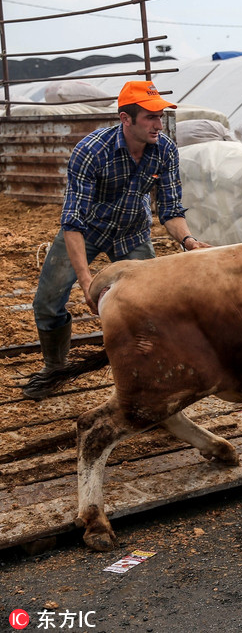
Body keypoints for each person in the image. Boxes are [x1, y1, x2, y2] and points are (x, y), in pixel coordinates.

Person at [23, 80, 210, 400]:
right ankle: (55, 367)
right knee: (48, 301)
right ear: (126, 119)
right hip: (88, 230)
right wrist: (85, 280)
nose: (158, 124)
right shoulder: (91, 151)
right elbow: (72, 222)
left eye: (161, 115)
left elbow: (170, 210)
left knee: (152, 304)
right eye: (150, 117)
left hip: (132, 232)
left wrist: (189, 241)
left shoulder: (164, 149)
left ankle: (153, 372)